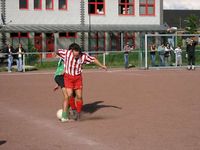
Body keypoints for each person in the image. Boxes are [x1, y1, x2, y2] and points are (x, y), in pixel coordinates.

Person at [56, 43, 107, 122]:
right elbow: (57, 51)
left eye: (78, 54)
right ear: (72, 51)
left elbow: (93, 59)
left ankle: (78, 113)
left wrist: (102, 65)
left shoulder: (83, 56)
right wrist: (56, 53)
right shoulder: (66, 53)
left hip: (77, 78)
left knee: (79, 96)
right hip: (68, 77)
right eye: (75, 54)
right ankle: (74, 110)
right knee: (69, 95)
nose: (77, 56)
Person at [53, 45, 77, 121]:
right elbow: (56, 52)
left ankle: (66, 112)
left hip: (64, 78)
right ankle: (64, 116)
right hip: (61, 76)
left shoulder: (72, 58)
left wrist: (58, 84)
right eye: (75, 50)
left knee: (72, 95)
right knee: (67, 96)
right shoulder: (67, 56)